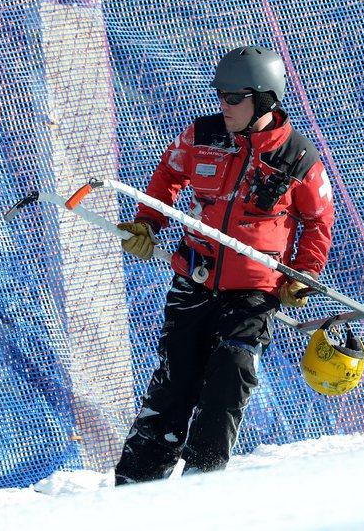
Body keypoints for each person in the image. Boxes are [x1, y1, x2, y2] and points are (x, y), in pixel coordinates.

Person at [112, 45, 335, 484]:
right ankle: (134, 488)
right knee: (174, 384)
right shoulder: (203, 135)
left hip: (254, 290)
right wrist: (148, 223)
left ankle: (203, 478)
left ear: (265, 99)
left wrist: (304, 275)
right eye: (221, 94)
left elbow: (318, 221)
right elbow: (169, 175)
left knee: (230, 378)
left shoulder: (298, 158)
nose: (223, 104)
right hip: (195, 276)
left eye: (234, 96)